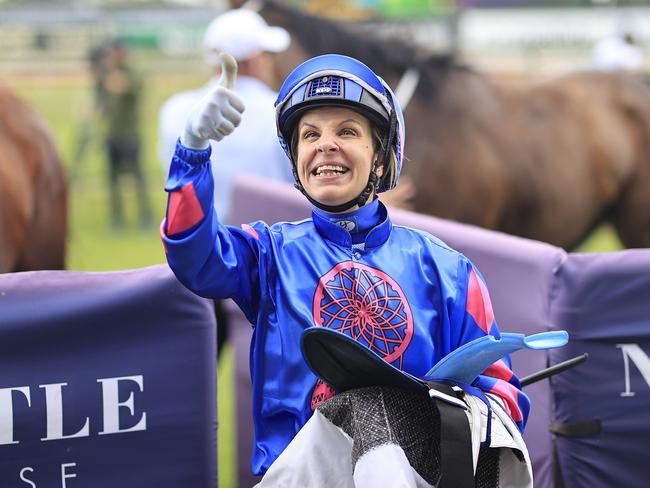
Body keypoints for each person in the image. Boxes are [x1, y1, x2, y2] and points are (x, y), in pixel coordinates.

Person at [161, 52, 532, 487]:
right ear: (296, 160)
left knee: (375, 412)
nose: (325, 145)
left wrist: (440, 411)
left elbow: (503, 397)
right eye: (310, 134)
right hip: (299, 474)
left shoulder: (449, 271)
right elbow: (194, 256)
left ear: (379, 157)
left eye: (347, 131)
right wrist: (192, 150)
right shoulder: (268, 254)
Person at [99, 39, 153, 231]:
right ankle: (117, 218)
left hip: (130, 135)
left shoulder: (131, 73)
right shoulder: (106, 73)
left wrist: (120, 84)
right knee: (112, 180)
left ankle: (145, 217)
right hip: (112, 134)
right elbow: (103, 99)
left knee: (138, 179)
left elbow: (132, 88)